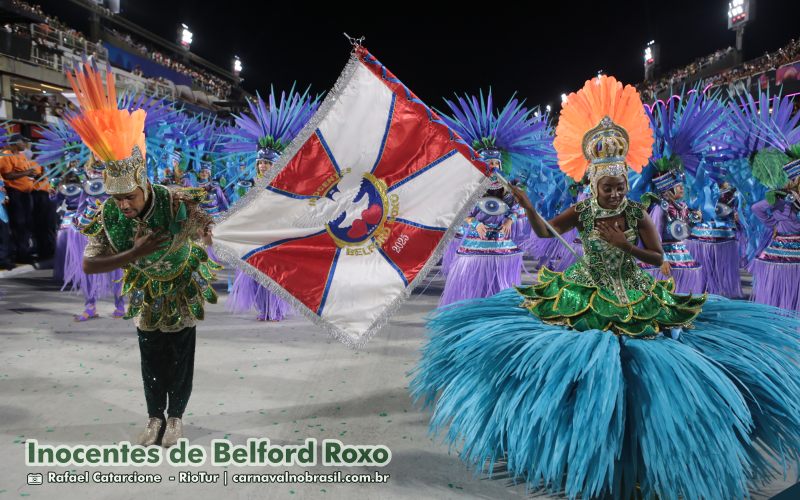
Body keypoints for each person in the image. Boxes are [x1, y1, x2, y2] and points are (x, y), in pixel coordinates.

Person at [411, 75, 800, 499]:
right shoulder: (582, 210)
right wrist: (525, 204)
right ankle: (578, 444)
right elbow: (543, 233)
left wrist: (626, 246)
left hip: (634, 292)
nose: (614, 193)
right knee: (583, 365)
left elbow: (658, 258)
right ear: (594, 183)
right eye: (607, 187)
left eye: (619, 186)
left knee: (636, 365)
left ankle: (634, 448)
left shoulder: (637, 212)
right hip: (584, 289)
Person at [67, 61, 221, 448]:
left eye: (129, 197)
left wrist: (207, 234)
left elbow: (207, 228)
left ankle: (176, 419)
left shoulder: (174, 201)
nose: (123, 205)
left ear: (144, 184)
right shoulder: (107, 214)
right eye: (117, 198)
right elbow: (89, 263)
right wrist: (132, 254)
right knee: (150, 353)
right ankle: (154, 418)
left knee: (180, 354)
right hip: (146, 288)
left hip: (183, 282)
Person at [0, 134, 36, 264]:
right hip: (15, 194)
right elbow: (7, 175)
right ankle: (17, 253)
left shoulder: (21, 155)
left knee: (26, 224)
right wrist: (27, 173)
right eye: (23, 142)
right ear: (15, 142)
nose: (25, 145)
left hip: (26, 194)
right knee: (18, 224)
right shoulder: (6, 155)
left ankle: (24, 252)